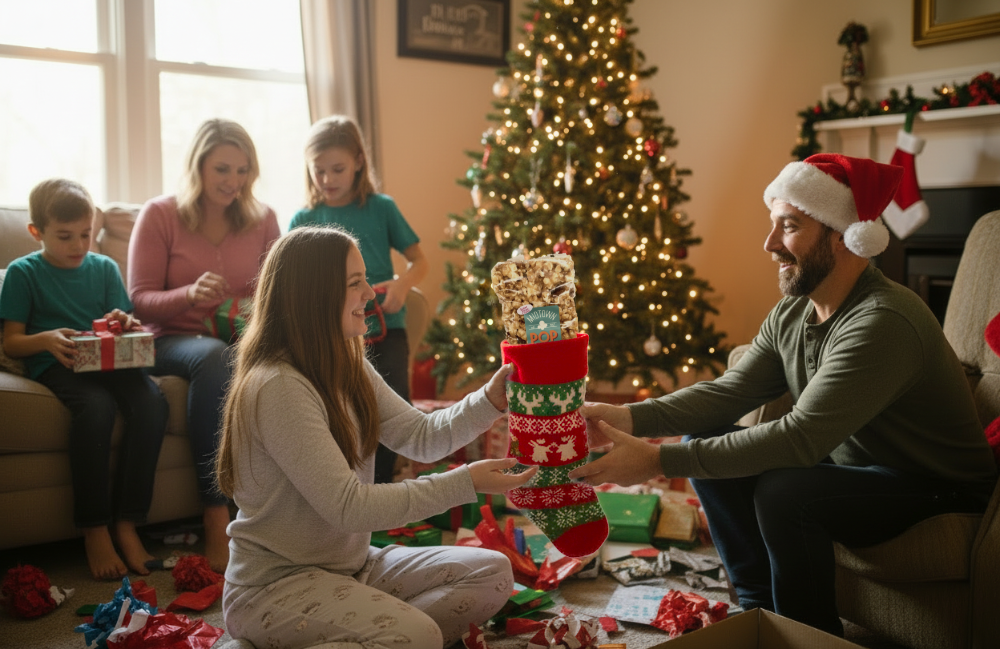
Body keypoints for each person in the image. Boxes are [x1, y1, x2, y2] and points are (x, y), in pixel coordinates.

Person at [570, 153, 998, 636]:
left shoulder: (883, 321)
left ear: (842, 235)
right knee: (703, 437)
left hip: (938, 486)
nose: (770, 244)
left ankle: (806, 634)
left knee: (786, 491)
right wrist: (624, 420)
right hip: (861, 469)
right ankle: (759, 617)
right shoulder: (794, 312)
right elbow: (729, 393)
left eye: (789, 226)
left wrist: (656, 462)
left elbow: (799, 441)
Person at [216, 225, 534, 649]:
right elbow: (349, 508)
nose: (370, 292)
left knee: (493, 573)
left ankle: (368, 634)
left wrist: (490, 401)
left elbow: (421, 435)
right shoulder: (277, 385)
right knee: (417, 635)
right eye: (354, 283)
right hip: (272, 588)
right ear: (314, 297)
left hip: (353, 568)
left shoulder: (347, 363)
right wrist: (467, 482)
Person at [128, 119, 281, 572]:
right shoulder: (160, 214)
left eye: (242, 170)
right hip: (170, 340)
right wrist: (189, 295)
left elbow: (277, 290)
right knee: (215, 358)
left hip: (240, 337)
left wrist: (247, 307)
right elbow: (138, 299)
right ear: (197, 166)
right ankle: (216, 515)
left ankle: (291, 513)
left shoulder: (263, 218)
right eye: (222, 170)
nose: (233, 182)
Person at [0, 179, 168, 580]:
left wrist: (124, 322)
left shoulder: (105, 267)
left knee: (152, 402)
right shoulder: (24, 273)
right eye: (65, 236)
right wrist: (47, 339)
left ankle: (127, 523)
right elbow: (12, 342)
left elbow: (124, 320)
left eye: (85, 234)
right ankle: (94, 528)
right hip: (60, 363)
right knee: (96, 408)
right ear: (36, 232)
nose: (78, 245)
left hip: (110, 360)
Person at [290, 115, 429, 484]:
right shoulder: (304, 217)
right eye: (318, 170)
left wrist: (401, 285)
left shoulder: (382, 208)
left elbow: (420, 261)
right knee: (341, 410)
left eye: (337, 169)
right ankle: (347, 491)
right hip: (331, 333)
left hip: (386, 327)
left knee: (393, 406)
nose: (327, 180)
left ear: (358, 163)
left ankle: (381, 490)